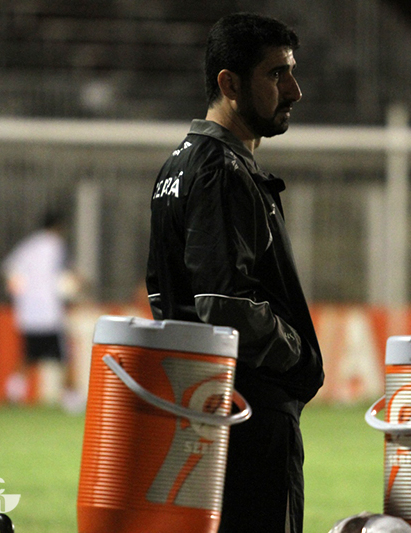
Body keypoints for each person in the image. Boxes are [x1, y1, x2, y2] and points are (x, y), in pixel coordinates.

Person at [145, 12, 324, 533]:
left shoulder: (176, 167)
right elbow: (224, 304)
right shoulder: (223, 169)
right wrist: (297, 358)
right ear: (229, 83)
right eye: (276, 75)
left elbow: (165, 291)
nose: (294, 89)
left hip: (200, 410)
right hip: (248, 415)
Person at [2, 210, 81, 408]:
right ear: (58, 227)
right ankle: (72, 400)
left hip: (28, 313)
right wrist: (77, 283)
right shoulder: (56, 245)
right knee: (65, 358)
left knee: (28, 356)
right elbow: (65, 278)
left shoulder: (28, 246)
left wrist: (20, 295)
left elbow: (9, 271)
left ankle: (13, 393)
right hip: (49, 312)